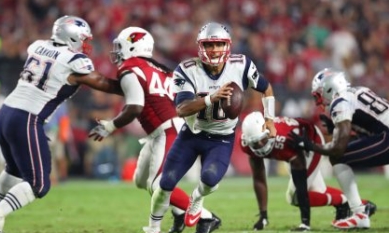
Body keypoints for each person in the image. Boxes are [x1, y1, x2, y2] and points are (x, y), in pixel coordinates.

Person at [0, 15, 123, 233]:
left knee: (13, 170)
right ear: (71, 37)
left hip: (5, 113)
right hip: (26, 118)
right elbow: (101, 82)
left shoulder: (38, 46)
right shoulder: (73, 61)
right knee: (39, 184)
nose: (85, 44)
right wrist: (133, 86)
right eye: (83, 39)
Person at [142, 22, 277, 233]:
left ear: (228, 45)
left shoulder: (241, 65)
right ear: (200, 47)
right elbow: (182, 108)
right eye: (209, 45)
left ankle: (196, 199)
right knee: (165, 183)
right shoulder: (187, 70)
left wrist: (270, 119)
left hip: (221, 138)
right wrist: (211, 99)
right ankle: (153, 228)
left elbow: (266, 87)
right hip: (192, 134)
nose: (214, 50)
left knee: (210, 179)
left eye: (219, 44)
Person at [88, 26, 219, 233]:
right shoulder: (161, 69)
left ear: (132, 46)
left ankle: (206, 217)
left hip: (168, 130)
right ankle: (178, 214)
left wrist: (110, 126)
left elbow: (135, 106)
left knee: (159, 184)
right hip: (165, 130)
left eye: (120, 46)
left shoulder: (131, 67)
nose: (117, 51)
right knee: (141, 181)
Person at [240, 111, 376, 231]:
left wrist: (305, 224)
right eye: (254, 143)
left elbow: (301, 185)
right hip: (291, 149)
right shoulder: (247, 144)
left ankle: (347, 202)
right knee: (318, 192)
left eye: (262, 140)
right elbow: (259, 178)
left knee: (295, 196)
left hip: (307, 143)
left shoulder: (285, 140)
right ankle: (362, 205)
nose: (259, 145)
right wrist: (263, 215)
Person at [288, 68, 386, 230]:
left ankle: (359, 213)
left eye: (318, 96)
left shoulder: (340, 101)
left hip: (386, 137)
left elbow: (338, 149)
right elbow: (369, 131)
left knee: (338, 157)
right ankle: (359, 214)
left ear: (328, 89)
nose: (319, 101)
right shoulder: (359, 90)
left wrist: (309, 145)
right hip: (384, 134)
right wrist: (337, 130)